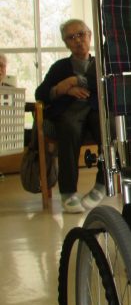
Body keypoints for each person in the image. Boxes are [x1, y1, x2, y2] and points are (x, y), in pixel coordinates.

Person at [35, 19, 106, 214]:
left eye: (81, 34)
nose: (77, 40)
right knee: (68, 128)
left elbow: (106, 85)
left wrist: (75, 81)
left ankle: (102, 184)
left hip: (94, 111)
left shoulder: (100, 64)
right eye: (71, 37)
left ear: (89, 35)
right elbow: (40, 93)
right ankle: (68, 192)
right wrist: (61, 89)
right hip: (70, 113)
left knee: (107, 129)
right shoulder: (60, 67)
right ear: (66, 43)